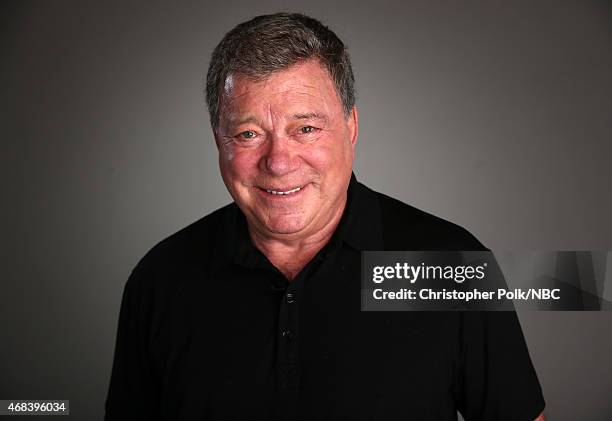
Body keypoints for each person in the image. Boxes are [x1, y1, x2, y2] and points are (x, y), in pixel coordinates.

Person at [105, 12, 546, 420]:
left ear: (351, 127)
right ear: (217, 140)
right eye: (248, 133)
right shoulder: (159, 280)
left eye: (306, 128)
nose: (278, 162)